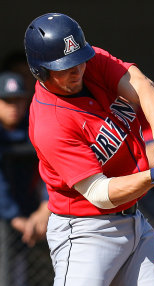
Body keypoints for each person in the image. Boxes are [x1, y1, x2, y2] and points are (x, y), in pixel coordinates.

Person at [24, 13, 154, 286]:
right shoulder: (49, 123)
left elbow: (144, 87)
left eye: (79, 61)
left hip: (133, 221)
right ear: (40, 70)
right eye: (64, 67)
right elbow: (100, 194)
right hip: (85, 232)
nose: (76, 70)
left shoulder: (91, 61)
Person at [0, 71, 50, 285]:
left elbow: (54, 166)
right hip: (8, 216)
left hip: (33, 217)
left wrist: (46, 206)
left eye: (18, 100)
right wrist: (13, 216)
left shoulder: (35, 127)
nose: (14, 107)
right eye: (7, 101)